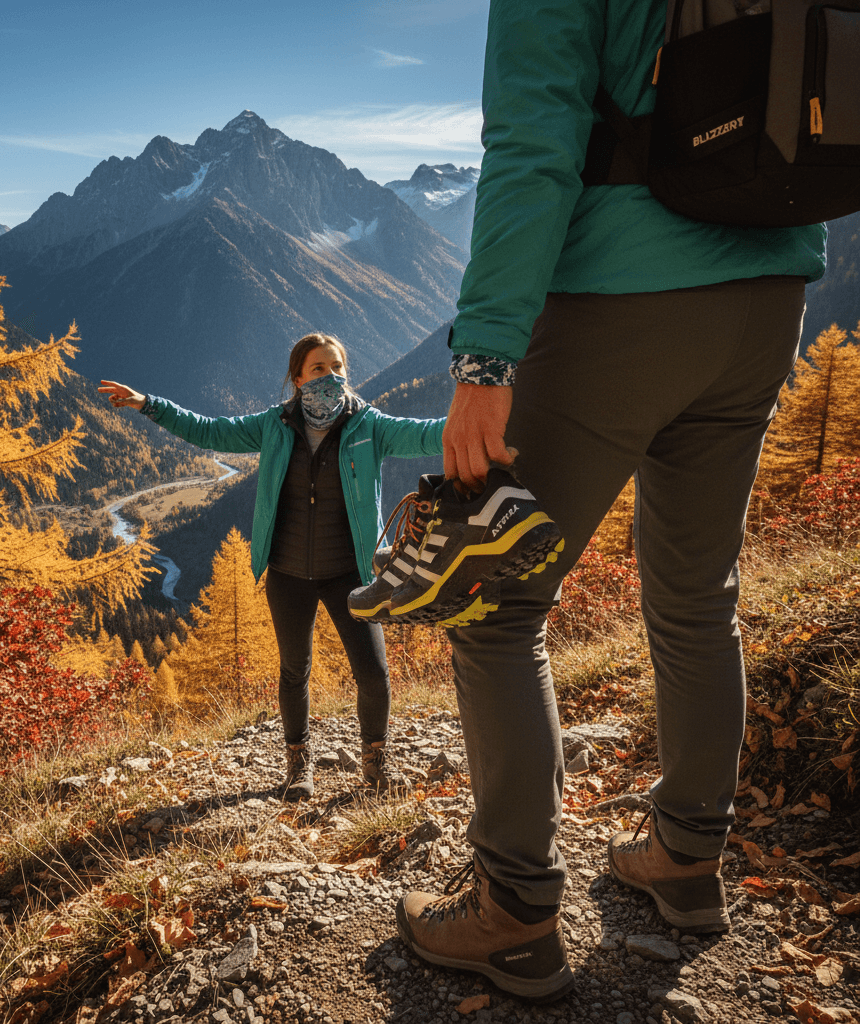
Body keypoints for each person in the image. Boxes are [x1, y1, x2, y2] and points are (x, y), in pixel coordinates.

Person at [368, 0, 827, 1003]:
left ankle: (516, 911)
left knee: (494, 600)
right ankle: (685, 859)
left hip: (620, 294)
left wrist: (486, 353)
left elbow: (532, 142)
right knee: (700, 592)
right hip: (769, 287)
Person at [99, 333, 444, 801]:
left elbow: (427, 434)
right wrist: (148, 405)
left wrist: (485, 420)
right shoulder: (274, 425)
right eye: (318, 368)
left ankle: (375, 766)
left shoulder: (369, 427)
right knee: (293, 671)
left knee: (373, 673)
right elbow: (209, 430)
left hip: (351, 573)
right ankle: (298, 768)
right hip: (287, 573)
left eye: (337, 367)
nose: (330, 376)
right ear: (297, 378)